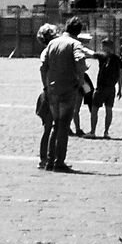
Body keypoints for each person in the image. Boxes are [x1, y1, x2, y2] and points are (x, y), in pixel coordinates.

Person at [38, 18, 92, 172]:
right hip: (68, 89)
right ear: (79, 31)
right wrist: (80, 79)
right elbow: (80, 61)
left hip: (52, 89)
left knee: (55, 125)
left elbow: (43, 67)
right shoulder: (75, 44)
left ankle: (49, 161)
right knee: (63, 126)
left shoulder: (52, 43)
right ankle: (59, 162)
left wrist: (46, 86)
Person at [90, 34, 122, 137]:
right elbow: (120, 76)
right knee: (109, 110)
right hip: (111, 88)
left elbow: (91, 53)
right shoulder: (118, 59)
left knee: (94, 109)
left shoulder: (102, 56)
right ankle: (106, 132)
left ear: (105, 47)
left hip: (101, 88)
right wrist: (120, 89)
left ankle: (93, 132)